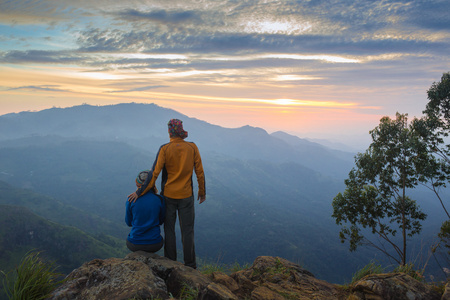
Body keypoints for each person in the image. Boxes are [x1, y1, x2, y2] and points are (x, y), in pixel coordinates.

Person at [128, 119, 206, 268]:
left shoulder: (165, 149)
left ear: (170, 131)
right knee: (187, 231)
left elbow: (154, 173)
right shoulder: (192, 147)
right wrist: (202, 192)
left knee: (169, 230)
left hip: (168, 196)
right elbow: (199, 172)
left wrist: (140, 191)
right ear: (181, 130)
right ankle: (190, 264)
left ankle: (171, 263)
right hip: (186, 195)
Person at [125, 170, 166, 253]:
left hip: (135, 244)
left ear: (137, 184)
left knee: (129, 238)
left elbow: (128, 223)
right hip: (155, 244)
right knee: (160, 239)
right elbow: (161, 220)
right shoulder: (160, 199)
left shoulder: (130, 200)